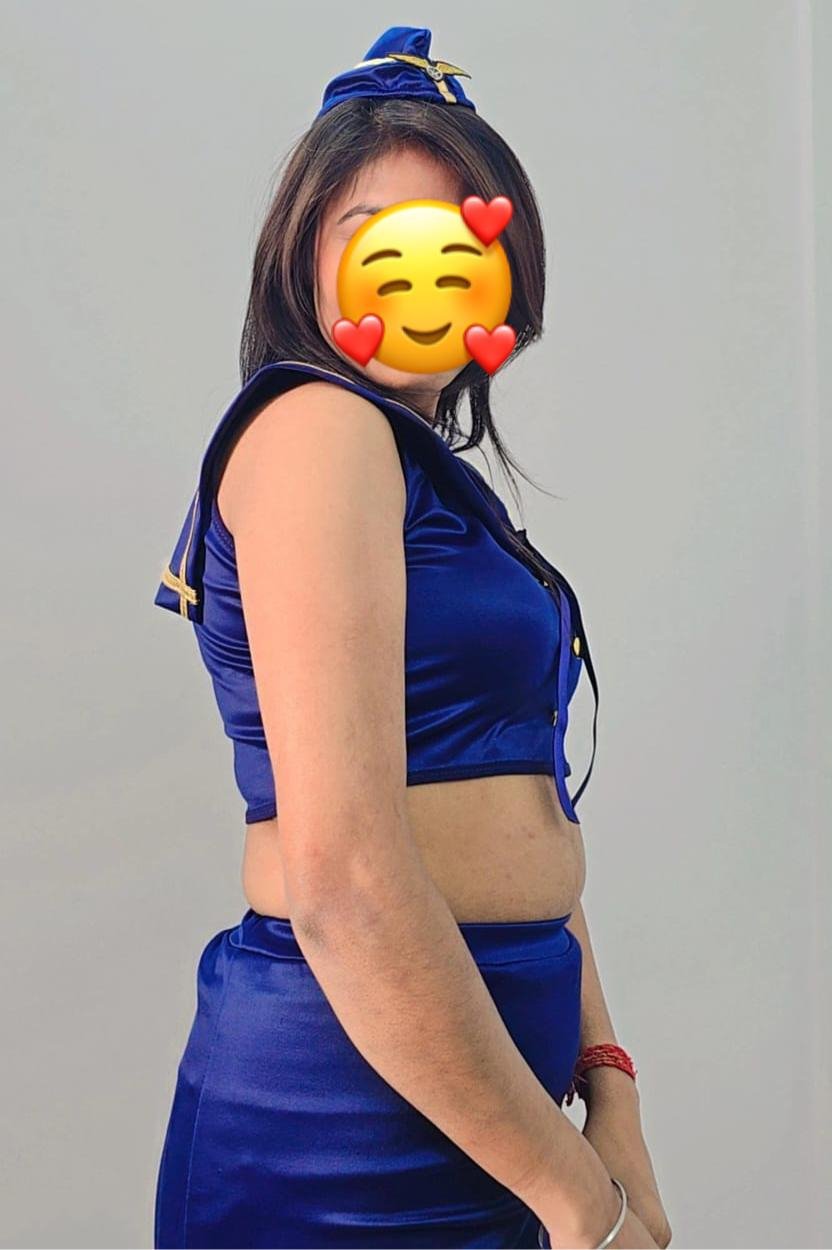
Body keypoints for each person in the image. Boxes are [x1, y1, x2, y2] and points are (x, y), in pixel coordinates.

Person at [152, 24, 670, 1250]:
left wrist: (609, 1088)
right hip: (343, 1134)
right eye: (374, 231)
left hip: (502, 1110)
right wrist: (577, 1198)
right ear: (308, 262)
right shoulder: (316, 430)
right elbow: (341, 878)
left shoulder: (425, 475)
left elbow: (524, 800)